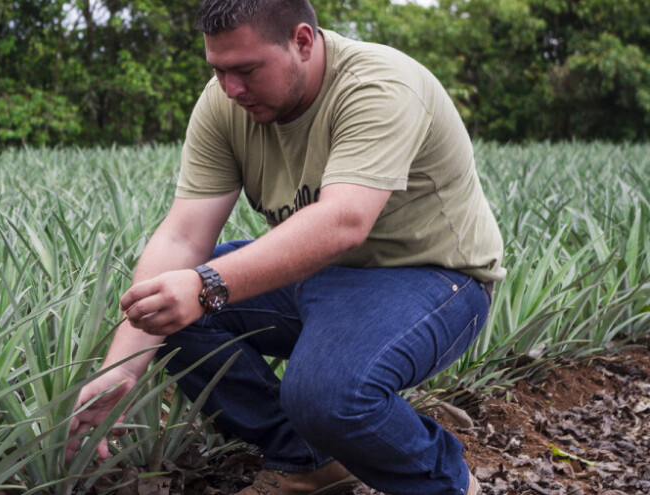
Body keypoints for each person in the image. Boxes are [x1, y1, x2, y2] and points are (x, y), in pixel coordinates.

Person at [67, 0, 505, 493]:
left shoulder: (378, 85)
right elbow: (182, 236)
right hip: (318, 272)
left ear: (301, 41)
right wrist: (121, 372)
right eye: (219, 70)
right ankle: (308, 460)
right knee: (166, 304)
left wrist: (207, 284)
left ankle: (444, 482)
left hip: (433, 278)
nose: (231, 89)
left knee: (327, 394)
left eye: (246, 70)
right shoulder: (224, 103)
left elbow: (343, 221)